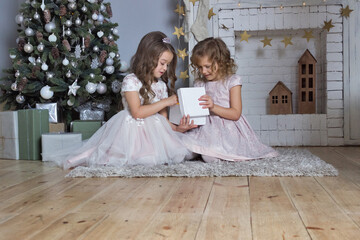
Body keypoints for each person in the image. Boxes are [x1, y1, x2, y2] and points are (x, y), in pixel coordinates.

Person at [43, 31, 196, 169]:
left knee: (173, 154)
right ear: (149, 58)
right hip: (130, 129)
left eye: (168, 65)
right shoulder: (131, 81)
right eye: (162, 63)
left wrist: (177, 129)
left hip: (155, 132)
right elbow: (137, 112)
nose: (165, 68)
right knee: (125, 157)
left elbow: (163, 120)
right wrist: (166, 102)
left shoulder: (161, 85)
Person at [182, 37, 278, 163]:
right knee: (184, 151)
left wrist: (213, 107)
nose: (203, 71)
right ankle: (202, 149)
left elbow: (235, 114)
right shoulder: (200, 83)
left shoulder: (232, 81)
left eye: (207, 66)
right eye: (199, 67)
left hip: (226, 128)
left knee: (209, 157)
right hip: (204, 128)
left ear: (220, 62)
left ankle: (209, 152)